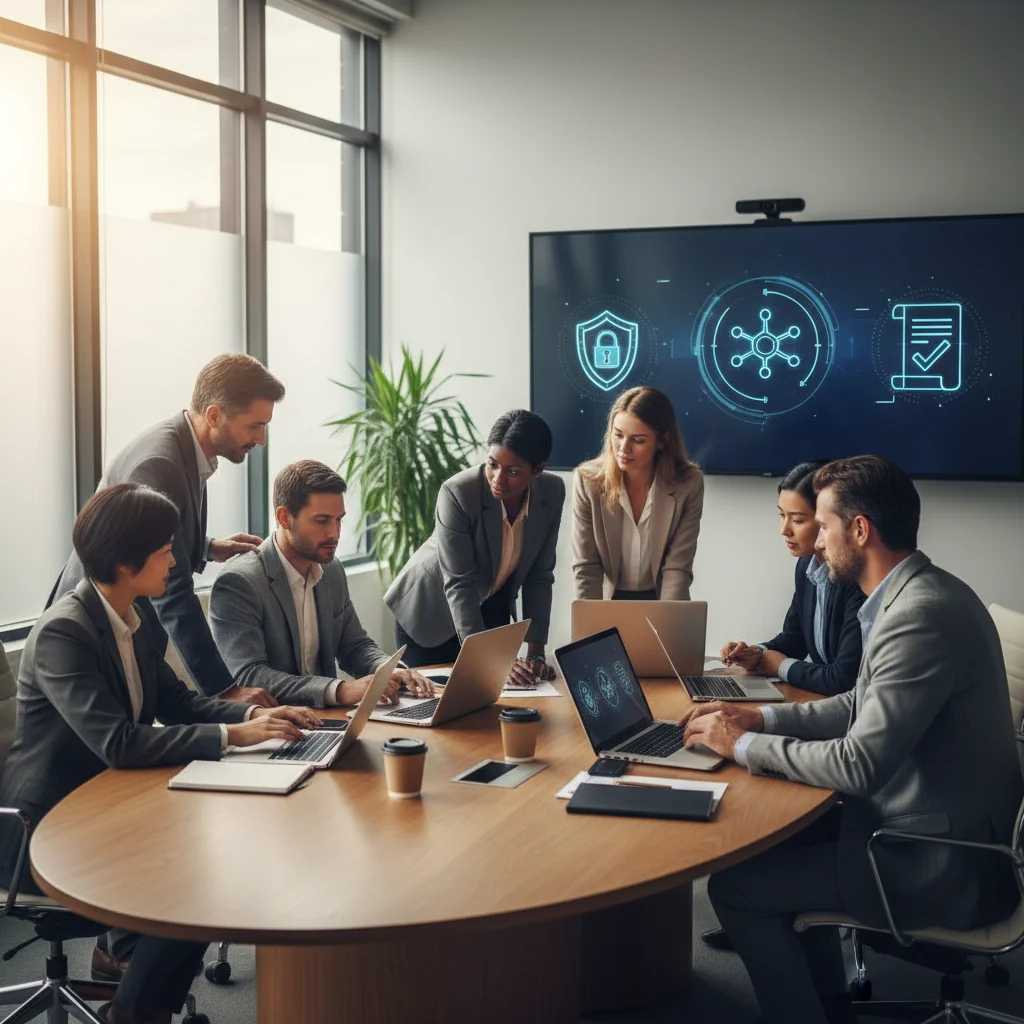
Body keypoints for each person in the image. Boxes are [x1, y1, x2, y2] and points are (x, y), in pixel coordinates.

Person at [682, 456, 1023, 1024]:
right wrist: (755, 722)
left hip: (937, 861)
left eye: (825, 525)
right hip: (938, 823)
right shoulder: (918, 592)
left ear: (860, 530)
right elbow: (856, 706)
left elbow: (860, 765)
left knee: (734, 890)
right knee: (780, 844)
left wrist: (737, 748)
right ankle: (831, 1008)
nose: (816, 542)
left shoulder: (918, 617)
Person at [0, 484, 319, 1024]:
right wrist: (234, 739)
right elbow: (118, 741)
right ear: (126, 563)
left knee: (214, 861)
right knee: (197, 877)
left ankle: (143, 1005)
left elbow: (173, 699)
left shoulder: (135, 611)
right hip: (44, 827)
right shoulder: (64, 633)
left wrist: (252, 719)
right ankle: (133, 1010)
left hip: (112, 804)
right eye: (165, 549)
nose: (176, 559)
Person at [48, 353, 286, 706]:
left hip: (124, 627)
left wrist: (205, 546)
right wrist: (224, 689)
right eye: (254, 426)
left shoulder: (184, 447)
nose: (262, 439)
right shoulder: (159, 464)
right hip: (94, 632)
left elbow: (146, 534)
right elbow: (172, 593)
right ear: (215, 415)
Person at [702, 460, 867, 953]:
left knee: (754, 797)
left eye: (797, 518)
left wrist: (778, 666)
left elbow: (843, 676)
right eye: (781, 516)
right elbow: (793, 639)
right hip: (822, 709)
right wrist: (759, 654)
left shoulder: (857, 581)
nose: (786, 530)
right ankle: (771, 924)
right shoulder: (806, 569)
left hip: (843, 730)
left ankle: (764, 915)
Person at [209, 460, 435, 706]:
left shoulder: (331, 569)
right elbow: (249, 676)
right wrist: (338, 690)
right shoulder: (240, 582)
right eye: (322, 521)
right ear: (284, 517)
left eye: (339, 520)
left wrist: (387, 669)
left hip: (327, 719)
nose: (335, 534)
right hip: (274, 724)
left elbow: (354, 645)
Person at [385, 410, 565, 685]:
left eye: (513, 471)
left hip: (490, 607)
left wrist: (536, 652)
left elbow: (539, 575)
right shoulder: (458, 492)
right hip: (431, 611)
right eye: (492, 464)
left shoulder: (552, 492)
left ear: (538, 469)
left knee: (492, 700)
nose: (498, 479)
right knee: (437, 707)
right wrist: (490, 660)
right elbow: (459, 583)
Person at [572, 386, 703, 602]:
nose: (623, 448)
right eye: (618, 435)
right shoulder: (588, 481)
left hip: (664, 598)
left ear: (662, 441)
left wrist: (666, 626)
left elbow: (677, 567)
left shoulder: (688, 483)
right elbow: (587, 568)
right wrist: (591, 629)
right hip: (607, 599)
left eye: (638, 440)